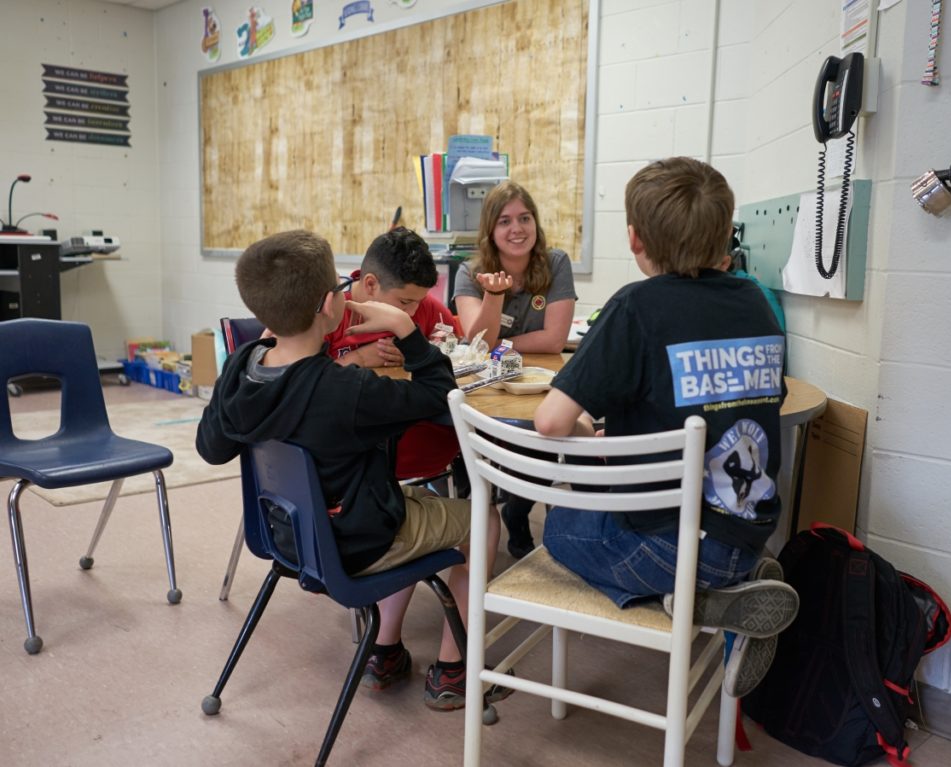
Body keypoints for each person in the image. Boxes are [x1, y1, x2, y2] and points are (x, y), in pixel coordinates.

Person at [195, 229, 507, 711]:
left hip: (285, 535)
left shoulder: (242, 365)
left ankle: (384, 652)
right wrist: (406, 332)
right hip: (355, 542)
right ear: (329, 304)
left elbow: (211, 449)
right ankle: (453, 668)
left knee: (403, 502)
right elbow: (438, 391)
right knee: (484, 519)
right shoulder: (348, 391)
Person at [533, 157, 798, 698]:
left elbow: (551, 420)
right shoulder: (756, 303)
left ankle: (699, 600)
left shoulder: (636, 306)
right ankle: (733, 580)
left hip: (668, 545)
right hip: (748, 529)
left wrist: (591, 435)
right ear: (725, 233)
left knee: (559, 527)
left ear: (635, 239)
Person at [452, 181, 577, 558]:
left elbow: (554, 340)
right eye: (505, 221)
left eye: (525, 218)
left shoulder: (555, 264)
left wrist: (499, 346)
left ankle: (518, 510)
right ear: (491, 230)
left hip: (539, 386)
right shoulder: (469, 272)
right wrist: (493, 294)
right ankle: (484, 508)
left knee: (545, 442)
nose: (517, 229)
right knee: (472, 439)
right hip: (488, 389)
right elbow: (478, 343)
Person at [324, 227, 460, 481]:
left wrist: (417, 353)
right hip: (353, 451)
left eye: (420, 301)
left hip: (421, 439)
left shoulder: (421, 304)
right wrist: (358, 359)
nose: (412, 312)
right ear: (371, 284)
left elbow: (459, 349)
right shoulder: (330, 312)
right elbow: (305, 384)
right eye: (405, 303)